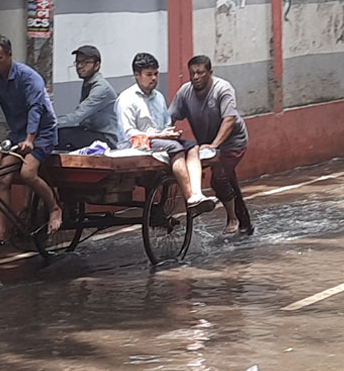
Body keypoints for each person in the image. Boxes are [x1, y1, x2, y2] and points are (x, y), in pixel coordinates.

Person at [0, 34, 63, 238]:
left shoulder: (28, 77)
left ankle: (54, 207)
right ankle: (2, 230)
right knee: (3, 179)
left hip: (42, 134)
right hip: (17, 135)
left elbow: (35, 108)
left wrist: (30, 139)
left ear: (9, 55)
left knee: (27, 174)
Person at [116, 52, 216, 213]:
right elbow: (129, 134)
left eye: (156, 74)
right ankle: (190, 196)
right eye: (149, 75)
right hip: (136, 144)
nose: (154, 78)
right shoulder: (126, 99)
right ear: (137, 75)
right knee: (174, 148)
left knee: (192, 146)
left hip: (159, 141)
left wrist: (168, 132)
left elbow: (165, 124)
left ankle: (197, 192)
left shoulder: (158, 97)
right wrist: (160, 136)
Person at [170, 55, 252, 235]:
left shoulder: (222, 89)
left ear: (210, 73)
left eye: (200, 73)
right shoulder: (185, 92)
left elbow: (229, 120)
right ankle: (246, 223)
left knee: (220, 178)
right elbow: (171, 116)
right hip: (206, 145)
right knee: (229, 180)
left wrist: (215, 145)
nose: (196, 77)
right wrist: (162, 133)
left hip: (232, 142)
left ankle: (232, 218)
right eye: (192, 73)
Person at [56, 45, 119, 150]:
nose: (80, 66)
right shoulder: (88, 83)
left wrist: (48, 124)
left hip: (107, 138)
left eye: (85, 62)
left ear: (97, 65)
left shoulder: (101, 88)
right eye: (78, 62)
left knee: (62, 135)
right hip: (91, 131)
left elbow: (77, 116)